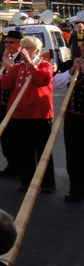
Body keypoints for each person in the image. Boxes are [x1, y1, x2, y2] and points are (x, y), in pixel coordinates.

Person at [0, 35, 55, 193]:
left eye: (29, 48)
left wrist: (30, 64)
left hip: (39, 113)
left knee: (43, 150)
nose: (25, 51)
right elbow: (6, 85)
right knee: (24, 150)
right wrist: (9, 70)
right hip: (19, 113)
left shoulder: (45, 65)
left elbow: (42, 80)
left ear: (37, 51)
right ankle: (27, 180)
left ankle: (47, 182)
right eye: (23, 48)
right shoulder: (17, 67)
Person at [54, 38, 84, 201]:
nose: (83, 50)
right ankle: (76, 188)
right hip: (73, 117)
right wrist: (72, 70)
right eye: (82, 47)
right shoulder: (71, 63)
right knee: (73, 153)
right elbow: (56, 83)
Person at [0, 31, 23, 177]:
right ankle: (11, 163)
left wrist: (10, 67)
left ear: (20, 44)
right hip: (0, 101)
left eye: (11, 42)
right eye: (6, 42)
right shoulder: (1, 57)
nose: (8, 45)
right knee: (4, 134)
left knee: (18, 135)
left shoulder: (24, 59)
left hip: (16, 103)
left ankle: (21, 165)